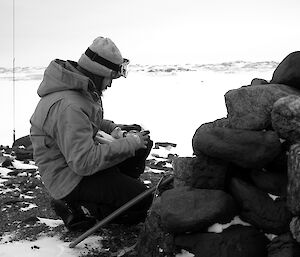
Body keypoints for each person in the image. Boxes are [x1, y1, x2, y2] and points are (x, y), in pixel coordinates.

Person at [30, 36, 153, 230]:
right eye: (111, 78)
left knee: (141, 138)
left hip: (73, 165)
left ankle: (118, 190)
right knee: (142, 202)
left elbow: (89, 120)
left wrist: (113, 129)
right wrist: (129, 143)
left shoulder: (80, 90)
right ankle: (78, 206)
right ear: (98, 72)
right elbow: (84, 162)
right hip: (68, 179)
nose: (111, 84)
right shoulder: (69, 106)